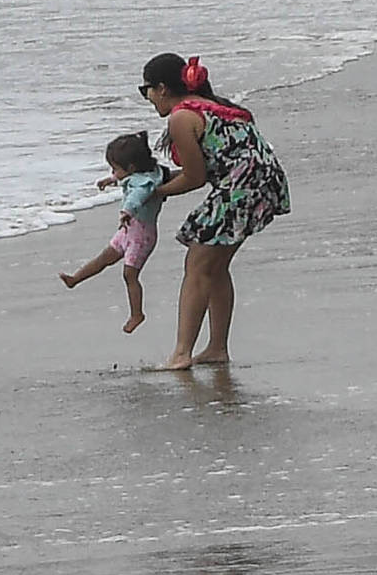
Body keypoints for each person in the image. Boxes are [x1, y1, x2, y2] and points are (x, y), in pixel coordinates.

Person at [138, 52, 290, 370]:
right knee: (215, 266)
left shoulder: (181, 117)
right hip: (263, 183)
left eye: (146, 90)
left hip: (241, 187)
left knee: (197, 265)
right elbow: (210, 167)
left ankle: (182, 353)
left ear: (162, 88)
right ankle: (217, 348)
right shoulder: (218, 107)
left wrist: (154, 193)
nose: (148, 98)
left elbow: (195, 178)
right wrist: (160, 182)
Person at [60, 131, 167, 332]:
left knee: (129, 274)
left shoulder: (145, 184)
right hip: (128, 232)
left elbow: (136, 196)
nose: (113, 171)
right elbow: (128, 180)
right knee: (104, 258)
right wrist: (111, 180)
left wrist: (127, 211)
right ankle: (75, 279)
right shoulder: (140, 174)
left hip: (141, 237)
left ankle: (137, 314)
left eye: (114, 168)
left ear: (131, 168)